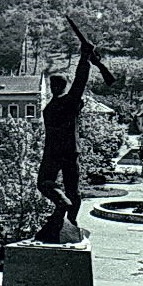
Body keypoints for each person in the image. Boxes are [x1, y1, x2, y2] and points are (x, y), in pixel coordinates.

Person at [35, 40, 95, 239]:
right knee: (54, 185)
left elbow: (80, 81)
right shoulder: (58, 105)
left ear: (61, 86)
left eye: (55, 84)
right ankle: (66, 208)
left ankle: (69, 216)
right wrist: (84, 57)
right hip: (63, 150)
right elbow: (79, 82)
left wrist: (84, 59)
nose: (53, 87)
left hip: (58, 151)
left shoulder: (65, 103)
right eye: (51, 84)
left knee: (57, 185)